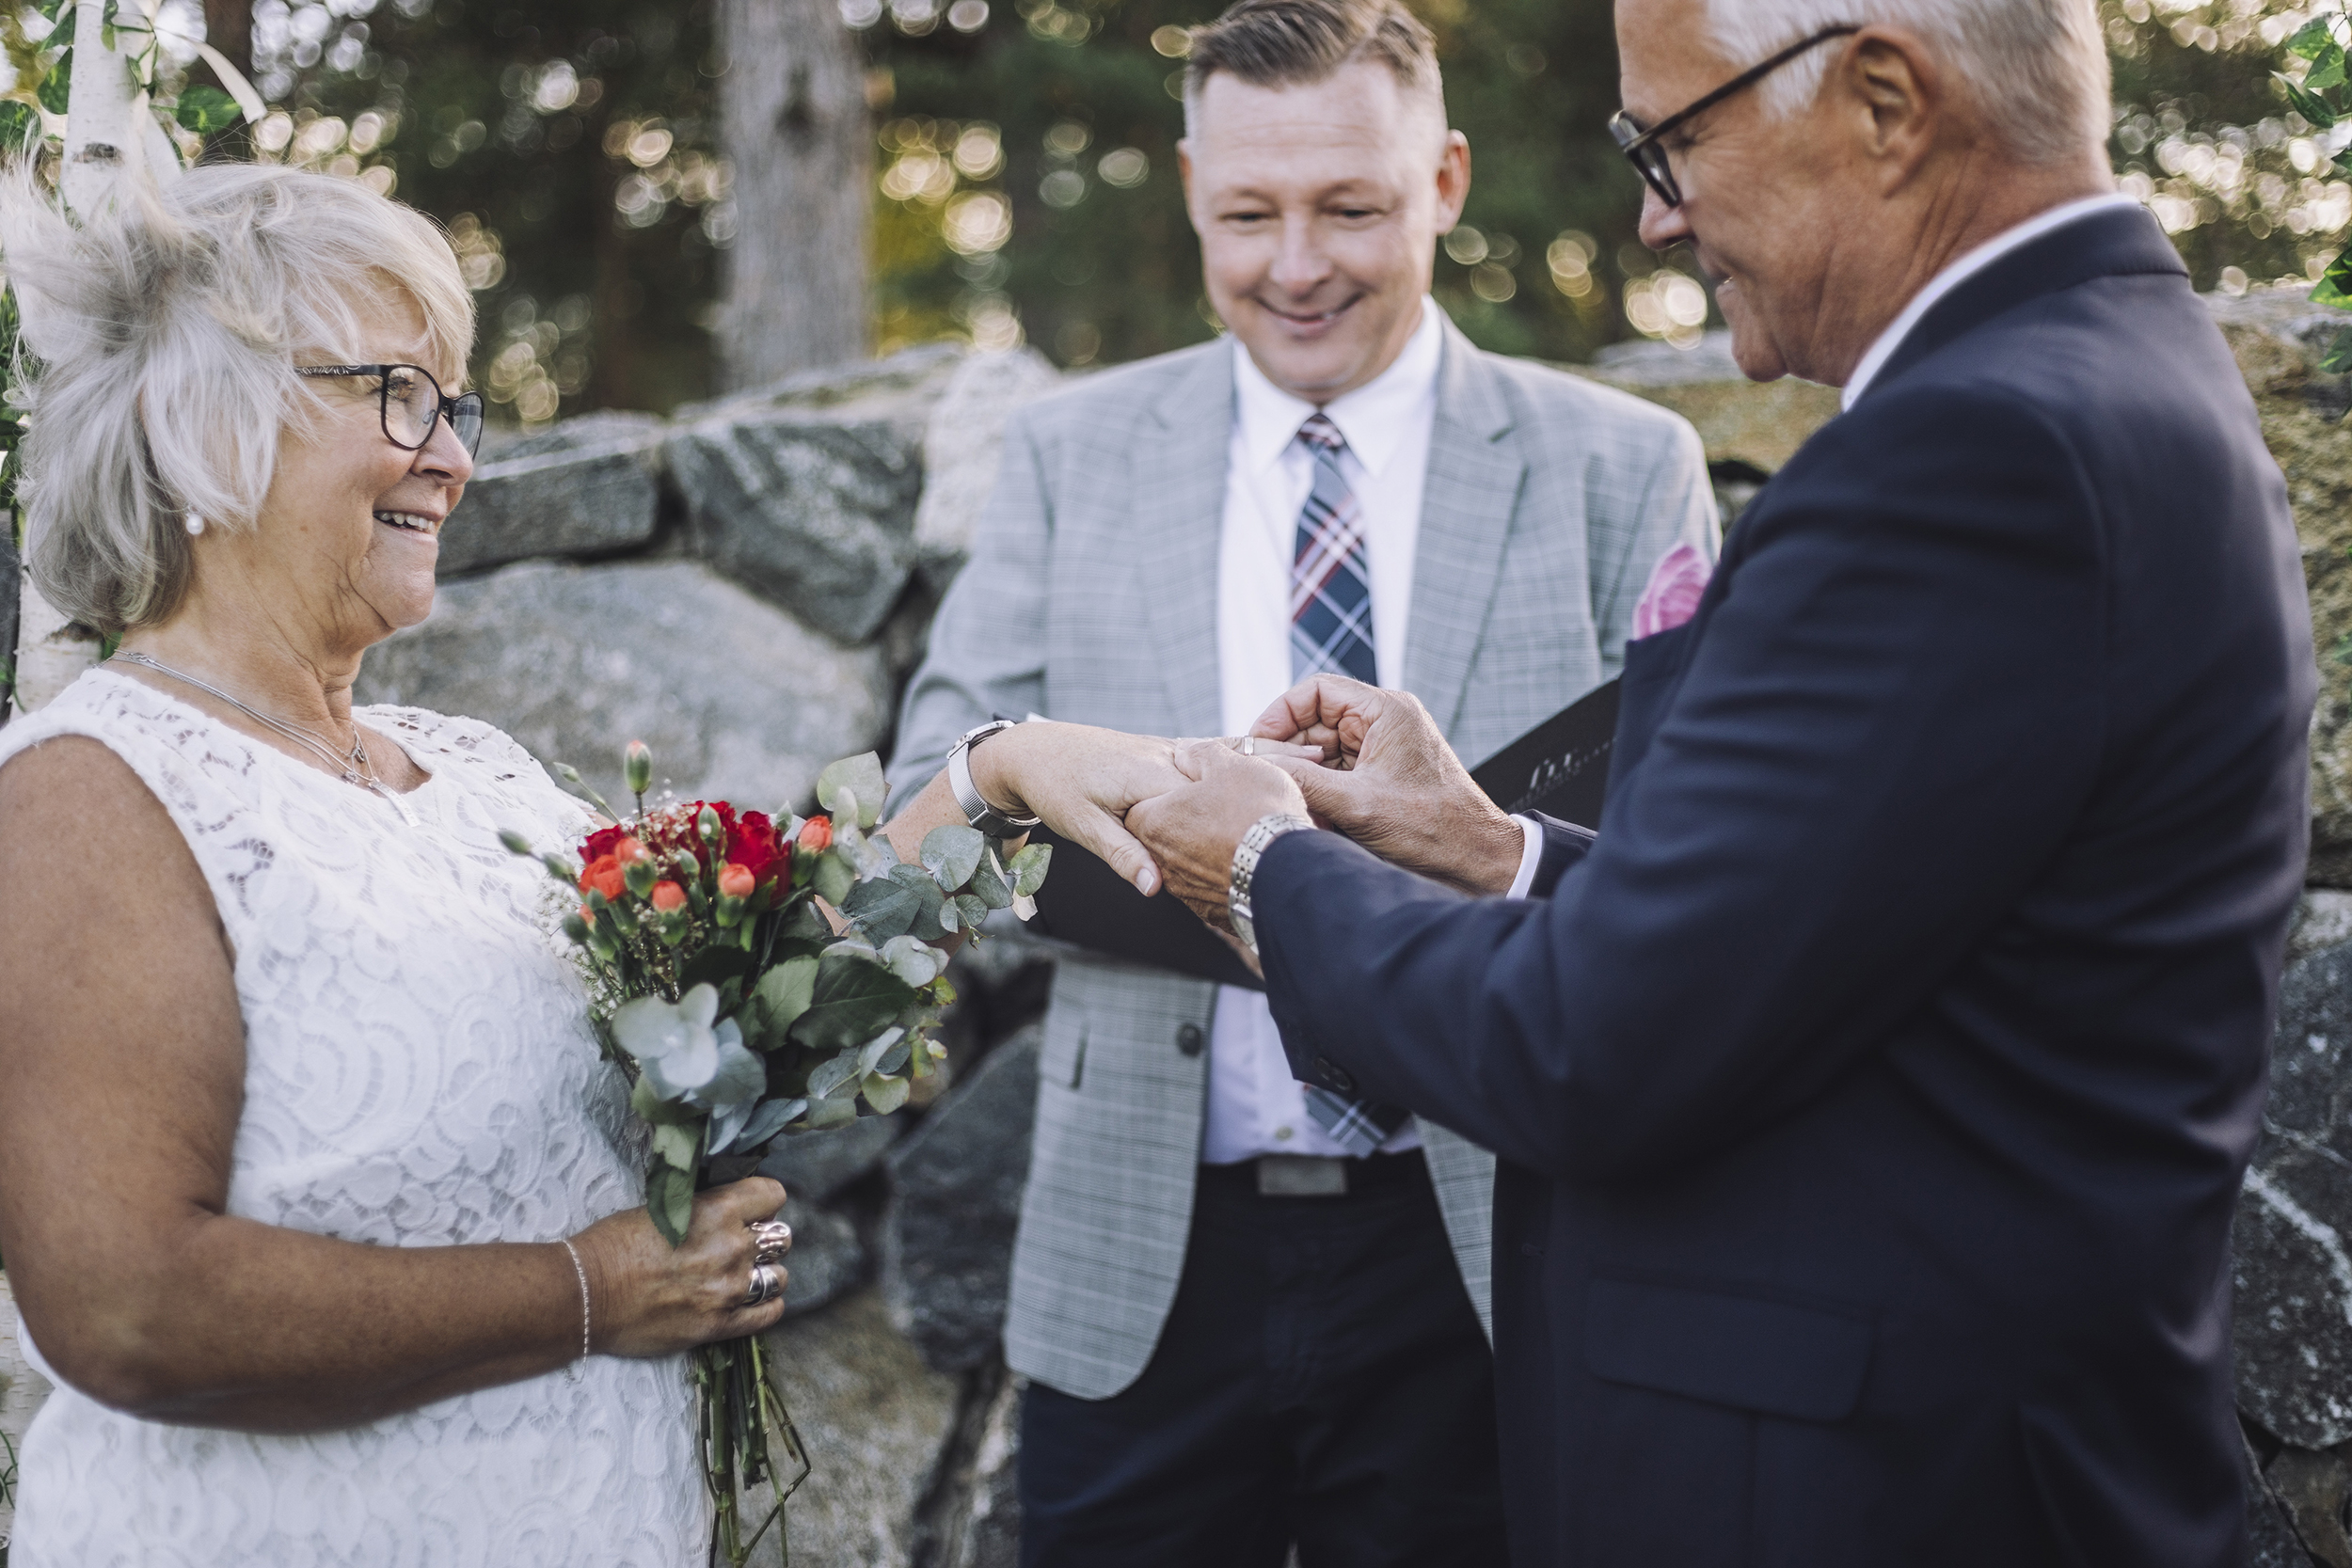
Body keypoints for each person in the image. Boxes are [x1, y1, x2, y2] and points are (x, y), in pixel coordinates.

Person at [1119, 0, 2318, 1563]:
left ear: (1885, 101)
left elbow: (1588, 1044)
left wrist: (1267, 867)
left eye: (1672, 139)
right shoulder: (2106, 380)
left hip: (1886, 1491)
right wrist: (1494, 852)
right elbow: (1840, 915)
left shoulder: (1974, 457)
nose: (1656, 212)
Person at [885, 0, 1717, 1561]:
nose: (1296, 265)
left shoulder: (1625, 465)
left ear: (1449, 180)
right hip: (1145, 1242)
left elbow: (1681, 871)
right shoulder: (1072, 454)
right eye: (1247, 215)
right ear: (1190, 185)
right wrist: (1011, 776)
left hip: (1488, 1236)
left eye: (1352, 207)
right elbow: (912, 837)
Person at [0, 166, 799, 1565]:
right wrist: (589, 1291)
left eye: (453, 405)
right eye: (397, 396)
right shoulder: (87, 795)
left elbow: (750, 971)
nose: (453, 456)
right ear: (201, 430)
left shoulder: (474, 773)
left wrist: (995, 783)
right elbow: (128, 1307)